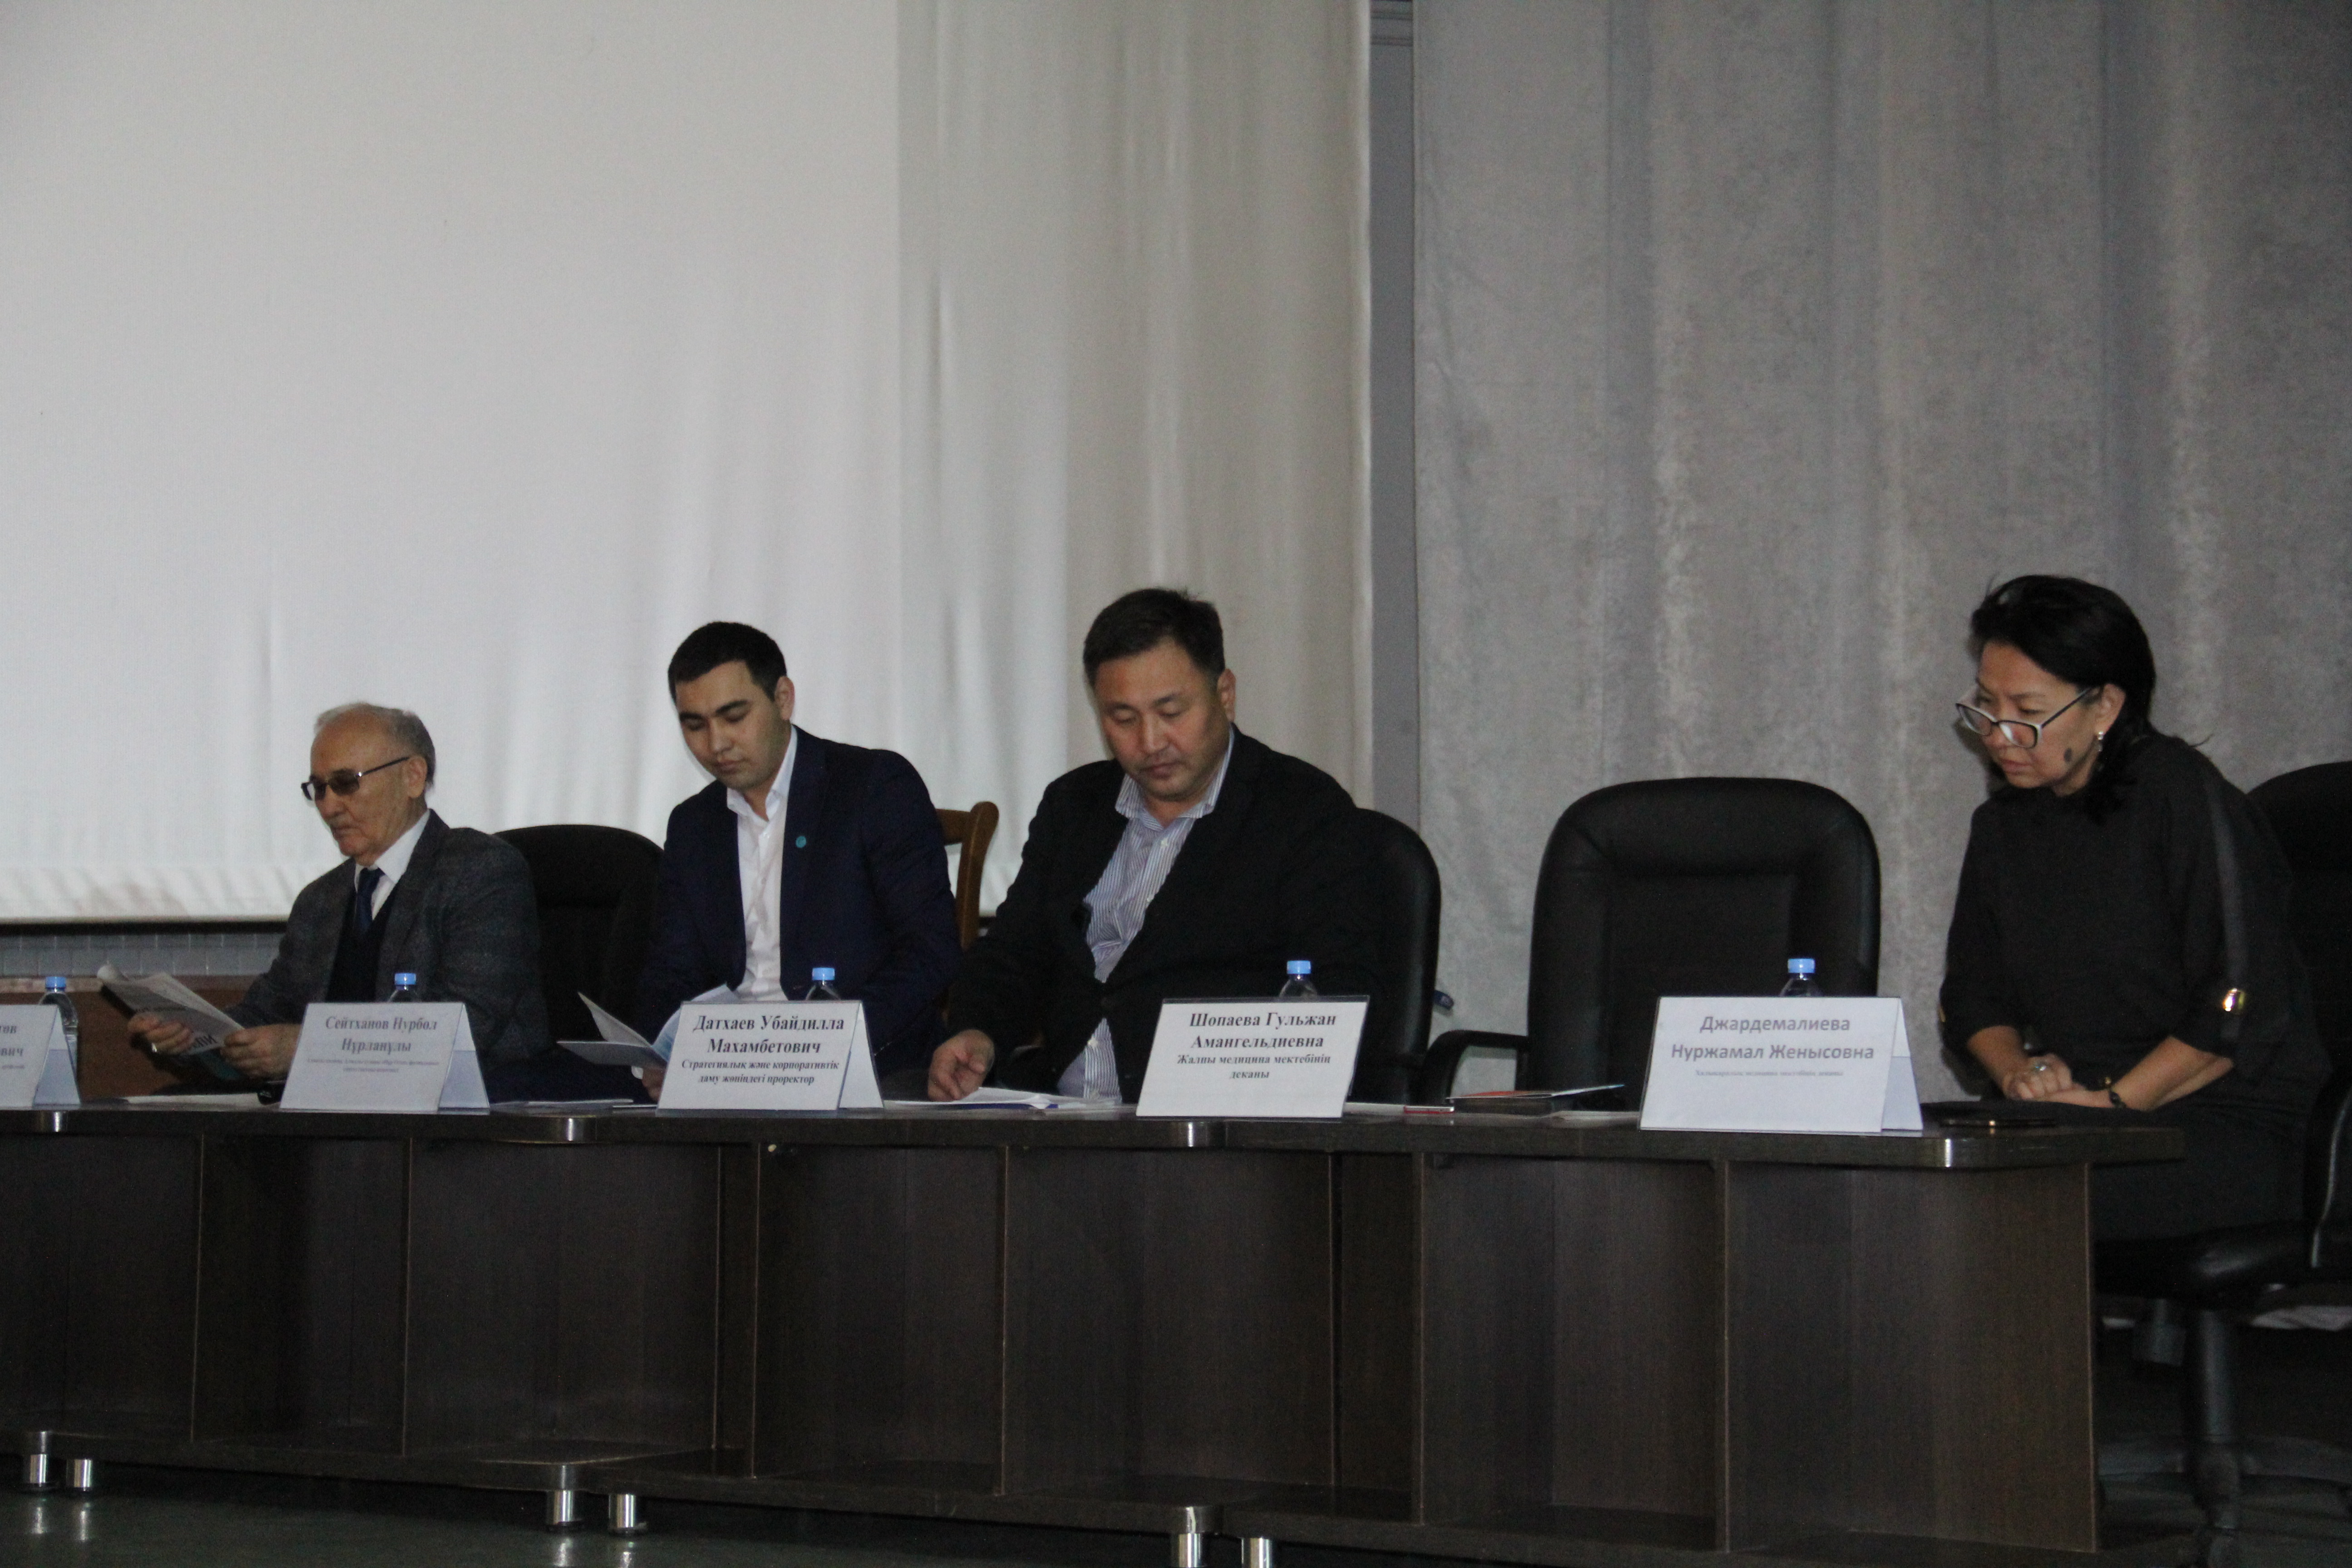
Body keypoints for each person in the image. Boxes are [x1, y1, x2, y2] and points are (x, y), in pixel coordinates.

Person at [1940, 575, 2328, 1240]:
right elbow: (1975, 995)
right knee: (1917, 1161)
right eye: (1985, 706)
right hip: (2089, 1114)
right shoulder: (2003, 827)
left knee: (2004, 1198)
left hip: (2228, 1123)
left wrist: (2116, 1105)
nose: (2000, 736)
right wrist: (2021, 1074)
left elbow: (2237, 1003)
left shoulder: (2181, 797)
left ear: (2106, 707)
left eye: (2027, 711)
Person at [930, 588, 1374, 1102]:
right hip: (1062, 1115)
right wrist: (978, 1032)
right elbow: (1015, 952)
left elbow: (1333, 995)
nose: (1150, 742)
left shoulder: (1303, 813)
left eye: (1171, 712)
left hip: (1216, 1119)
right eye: (1123, 719)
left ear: (1225, 694)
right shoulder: (1074, 806)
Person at [130, 703, 550, 1083]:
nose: (328, 807)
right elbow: (268, 1013)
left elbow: (463, 1026)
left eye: (346, 783)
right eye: (319, 788)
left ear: (413, 776)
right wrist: (190, 1035)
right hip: (339, 1113)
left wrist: (306, 1049)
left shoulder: (480, 871)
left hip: (470, 1112)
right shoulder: (321, 900)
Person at [633, 622, 961, 1086]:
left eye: (734, 717)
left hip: (863, 1069)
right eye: (695, 725)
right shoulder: (694, 826)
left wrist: (828, 1044)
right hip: (729, 1075)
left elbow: (931, 950)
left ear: (783, 699)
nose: (716, 743)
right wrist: (665, 1052)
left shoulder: (872, 787)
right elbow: (672, 971)